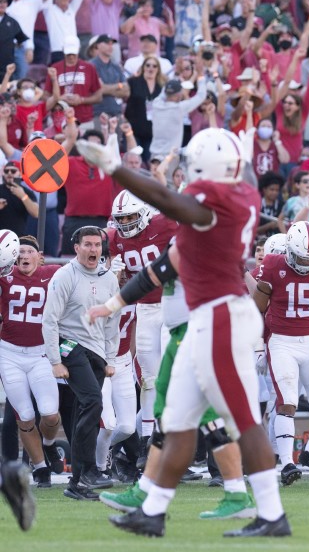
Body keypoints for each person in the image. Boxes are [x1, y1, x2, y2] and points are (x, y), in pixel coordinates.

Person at [77, 128, 290, 538]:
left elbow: (166, 199)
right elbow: (164, 266)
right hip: (204, 322)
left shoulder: (216, 204)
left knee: (243, 419)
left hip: (220, 318)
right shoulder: (239, 196)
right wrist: (113, 305)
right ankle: (153, 511)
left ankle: (271, 513)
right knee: (175, 421)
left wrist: (116, 169)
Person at [89, 243, 257, 521]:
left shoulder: (198, 244)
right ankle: (148, 492)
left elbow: (150, 277)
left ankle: (236, 492)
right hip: (183, 333)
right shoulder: (193, 240)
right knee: (169, 413)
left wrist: (110, 305)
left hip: (195, 334)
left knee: (204, 415)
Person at [253, 220, 309, 487]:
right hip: (281, 341)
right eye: (301, 257)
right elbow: (256, 310)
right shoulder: (272, 265)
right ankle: (287, 464)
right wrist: (258, 345)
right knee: (287, 401)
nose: (306, 263)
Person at [41, 226, 119, 500]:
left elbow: (112, 321)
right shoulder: (65, 276)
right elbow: (50, 319)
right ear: (76, 248)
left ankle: (77, 483)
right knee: (93, 402)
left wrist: (110, 358)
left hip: (96, 350)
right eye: (87, 244)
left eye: (97, 245)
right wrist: (54, 360)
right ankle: (87, 471)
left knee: (83, 409)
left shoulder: (109, 278)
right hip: (69, 344)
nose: (93, 250)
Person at [107, 190, 177, 448]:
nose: (125, 224)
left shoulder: (166, 224)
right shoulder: (115, 238)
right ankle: (149, 442)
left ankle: (162, 439)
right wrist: (113, 274)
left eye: (130, 217)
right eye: (121, 219)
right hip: (145, 309)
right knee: (150, 379)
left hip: (174, 304)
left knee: (172, 375)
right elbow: (115, 284)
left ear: (146, 213)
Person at [0, 233, 61, 487]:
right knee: (24, 416)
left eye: (29, 251)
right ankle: (40, 468)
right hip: (10, 353)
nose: (24, 256)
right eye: (20, 252)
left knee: (49, 413)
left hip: (42, 353)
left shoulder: (55, 273)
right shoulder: (4, 276)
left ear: (41, 256)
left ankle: (48, 444)